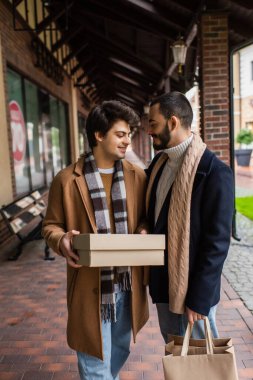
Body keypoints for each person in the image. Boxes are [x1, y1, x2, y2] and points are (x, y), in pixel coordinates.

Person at [42, 100, 149, 379]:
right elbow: (51, 225)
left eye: (128, 134)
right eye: (120, 134)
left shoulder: (138, 177)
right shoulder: (66, 180)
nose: (127, 141)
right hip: (90, 286)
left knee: (120, 350)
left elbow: (147, 218)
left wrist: (144, 230)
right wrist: (61, 239)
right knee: (94, 363)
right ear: (99, 136)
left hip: (127, 283)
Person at [145, 91, 234, 342]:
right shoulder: (157, 166)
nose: (149, 131)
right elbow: (152, 216)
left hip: (192, 294)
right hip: (165, 287)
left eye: (153, 123)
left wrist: (199, 299)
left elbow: (217, 243)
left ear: (172, 123)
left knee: (199, 367)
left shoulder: (215, 172)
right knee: (178, 362)